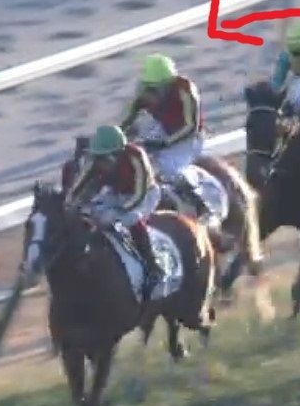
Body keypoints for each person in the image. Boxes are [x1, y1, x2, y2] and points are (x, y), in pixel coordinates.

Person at [70, 124, 164, 300]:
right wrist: (70, 202)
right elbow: (79, 185)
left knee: (131, 219)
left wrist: (120, 211)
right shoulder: (96, 160)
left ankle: (153, 266)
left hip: (145, 194)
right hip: (117, 194)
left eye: (105, 158)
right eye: (98, 157)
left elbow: (140, 192)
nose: (101, 163)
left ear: (118, 153)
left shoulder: (136, 157)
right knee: (90, 213)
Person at [122, 53, 212, 218]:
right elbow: (128, 120)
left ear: (171, 81)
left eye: (162, 86)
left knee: (168, 168)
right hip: (163, 129)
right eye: (153, 87)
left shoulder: (185, 90)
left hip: (189, 137)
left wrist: (164, 143)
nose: (157, 91)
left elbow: (191, 127)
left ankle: (201, 205)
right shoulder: (144, 89)